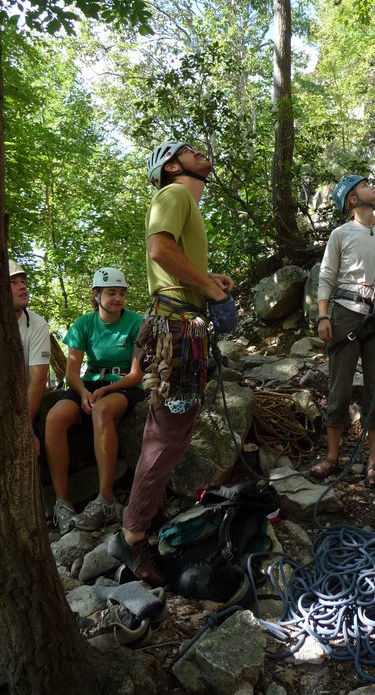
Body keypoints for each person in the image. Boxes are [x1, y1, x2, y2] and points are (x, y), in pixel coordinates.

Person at [108, 141, 234, 585]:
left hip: (179, 326)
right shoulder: (175, 194)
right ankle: (133, 534)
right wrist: (213, 292)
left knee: (164, 434)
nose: (200, 151)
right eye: (188, 149)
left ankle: (143, 514)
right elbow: (160, 250)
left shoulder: (185, 205)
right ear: (172, 165)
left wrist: (207, 282)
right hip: (177, 332)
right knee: (168, 438)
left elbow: (170, 262)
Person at [312, 175, 375, 488]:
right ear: (352, 199)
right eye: (364, 184)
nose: (371, 185)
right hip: (345, 316)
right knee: (339, 388)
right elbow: (326, 276)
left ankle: (373, 463)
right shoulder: (341, 234)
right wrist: (323, 317)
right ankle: (333, 457)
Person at [45, 268, 145, 535]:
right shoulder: (83, 324)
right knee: (54, 417)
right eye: (111, 293)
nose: (117, 299)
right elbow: (71, 372)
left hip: (124, 385)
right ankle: (62, 504)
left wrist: (104, 391)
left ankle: (105, 501)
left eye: (121, 293)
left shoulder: (138, 322)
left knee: (101, 411)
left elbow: (137, 374)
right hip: (88, 385)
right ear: (96, 295)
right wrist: (84, 393)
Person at [10, 259, 51, 455]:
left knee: (29, 448)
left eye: (23, 281)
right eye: (13, 282)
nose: (23, 287)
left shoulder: (37, 325)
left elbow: (39, 378)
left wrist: (22, 428)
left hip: (19, 410)